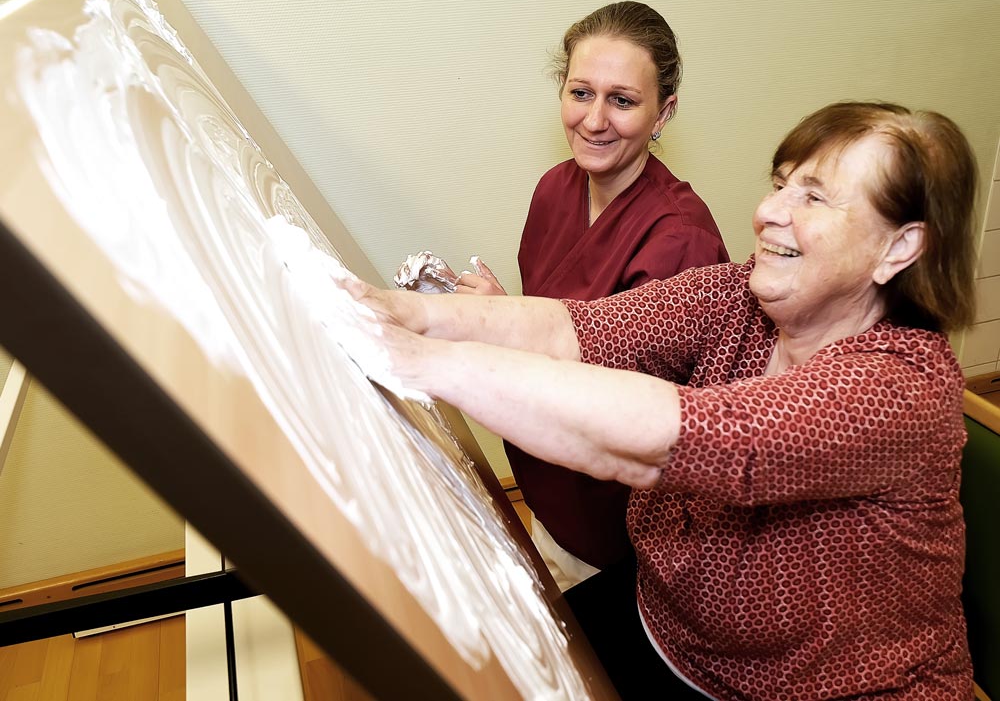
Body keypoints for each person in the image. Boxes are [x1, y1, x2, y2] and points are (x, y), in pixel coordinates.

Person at [342, 101, 978, 699]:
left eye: (813, 197)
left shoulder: (902, 386)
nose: (770, 212)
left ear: (899, 248)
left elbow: (669, 436)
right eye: (780, 183)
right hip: (669, 634)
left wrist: (419, 361)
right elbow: (575, 331)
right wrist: (408, 312)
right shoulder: (736, 296)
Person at [451, 1, 729, 590]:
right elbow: (560, 323)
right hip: (549, 491)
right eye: (581, 93)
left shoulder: (680, 238)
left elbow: (635, 419)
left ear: (663, 112)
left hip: (627, 534)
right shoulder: (556, 187)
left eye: (622, 100)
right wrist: (505, 313)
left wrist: (492, 339)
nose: (595, 120)